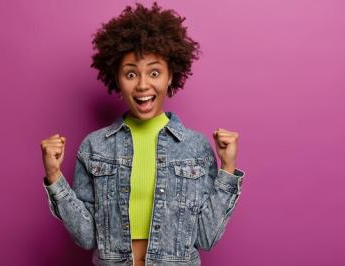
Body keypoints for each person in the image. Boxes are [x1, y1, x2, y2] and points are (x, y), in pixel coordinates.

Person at [40, 2, 245, 265]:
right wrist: (54, 176)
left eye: (155, 72)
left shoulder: (195, 147)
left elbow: (205, 237)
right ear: (117, 77)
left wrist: (228, 167)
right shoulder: (95, 147)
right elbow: (86, 237)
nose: (143, 85)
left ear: (171, 75)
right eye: (131, 74)